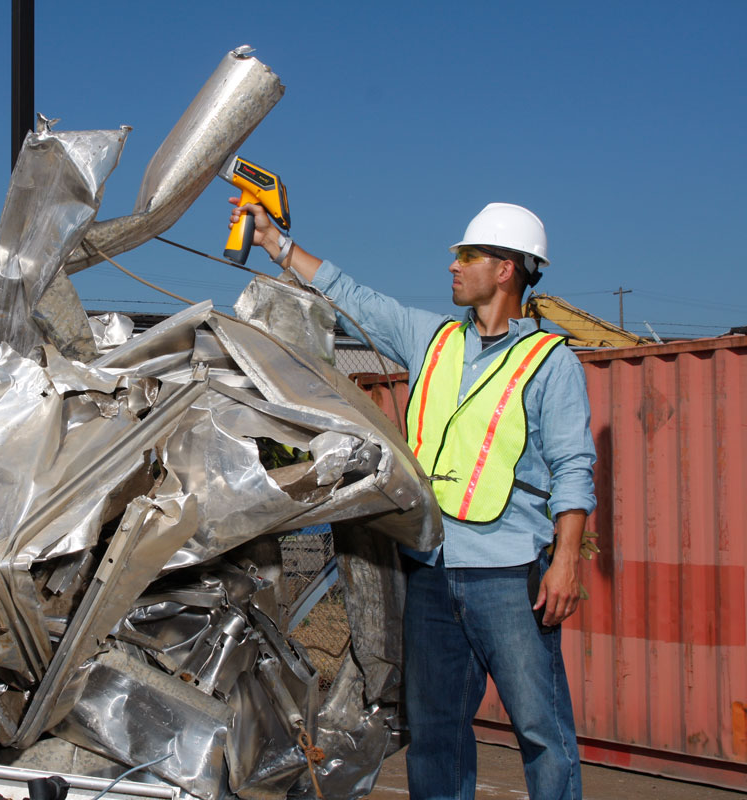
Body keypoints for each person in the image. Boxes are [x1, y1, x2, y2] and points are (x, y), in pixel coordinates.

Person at [229, 199, 596, 799]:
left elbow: (574, 466)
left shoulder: (550, 364)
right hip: (430, 570)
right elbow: (353, 296)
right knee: (435, 730)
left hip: (507, 576)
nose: (453, 266)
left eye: (467, 255)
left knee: (541, 731)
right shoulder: (434, 339)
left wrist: (567, 558)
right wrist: (277, 245)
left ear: (505, 269)